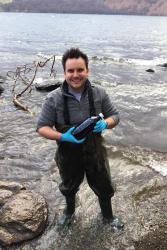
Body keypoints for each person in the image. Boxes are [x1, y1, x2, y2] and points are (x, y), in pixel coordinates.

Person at [37, 48, 124, 230]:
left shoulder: (99, 93)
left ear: (87, 70)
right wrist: (62, 136)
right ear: (64, 73)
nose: (75, 75)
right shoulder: (53, 98)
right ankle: (69, 212)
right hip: (68, 154)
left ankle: (108, 216)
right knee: (68, 185)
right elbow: (42, 128)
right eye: (71, 71)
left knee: (104, 186)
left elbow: (115, 116)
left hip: (95, 152)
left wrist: (106, 123)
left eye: (80, 70)